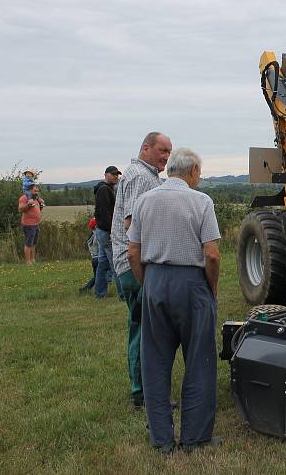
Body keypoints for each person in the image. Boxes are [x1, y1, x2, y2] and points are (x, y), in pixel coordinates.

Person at [128, 148, 221, 453]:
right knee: (199, 361)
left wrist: (149, 284)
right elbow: (211, 254)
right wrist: (210, 289)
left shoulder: (144, 201)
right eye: (200, 172)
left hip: (154, 280)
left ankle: (162, 440)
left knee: (154, 363)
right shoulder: (202, 202)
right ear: (193, 170)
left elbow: (132, 253)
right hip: (192, 285)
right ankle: (195, 438)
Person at [112, 132, 172, 407]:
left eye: (169, 152)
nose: (166, 157)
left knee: (139, 326)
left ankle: (141, 389)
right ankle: (144, 393)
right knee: (148, 329)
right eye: (162, 150)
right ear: (145, 148)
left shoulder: (141, 174)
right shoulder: (140, 177)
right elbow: (132, 223)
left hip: (131, 261)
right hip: (135, 263)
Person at [93, 166, 121, 299]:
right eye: (113, 174)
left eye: (117, 174)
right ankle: (123, 294)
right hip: (106, 231)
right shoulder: (104, 190)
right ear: (106, 175)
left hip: (101, 230)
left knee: (102, 264)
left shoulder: (105, 188)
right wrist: (112, 231)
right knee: (115, 263)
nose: (115, 176)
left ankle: (100, 293)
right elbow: (105, 213)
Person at [18, 183, 44, 266]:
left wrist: (41, 204)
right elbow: (21, 209)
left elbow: (38, 210)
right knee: (28, 243)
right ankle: (28, 262)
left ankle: (33, 260)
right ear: (29, 190)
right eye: (35, 191)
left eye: (37, 191)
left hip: (36, 224)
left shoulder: (35, 199)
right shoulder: (24, 198)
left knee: (34, 243)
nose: (37, 192)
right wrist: (28, 205)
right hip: (28, 225)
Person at [79, 217, 99, 294]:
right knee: (99, 276)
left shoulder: (91, 236)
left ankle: (87, 288)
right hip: (97, 258)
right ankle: (87, 288)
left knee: (96, 276)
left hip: (93, 258)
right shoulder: (97, 236)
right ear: (96, 226)